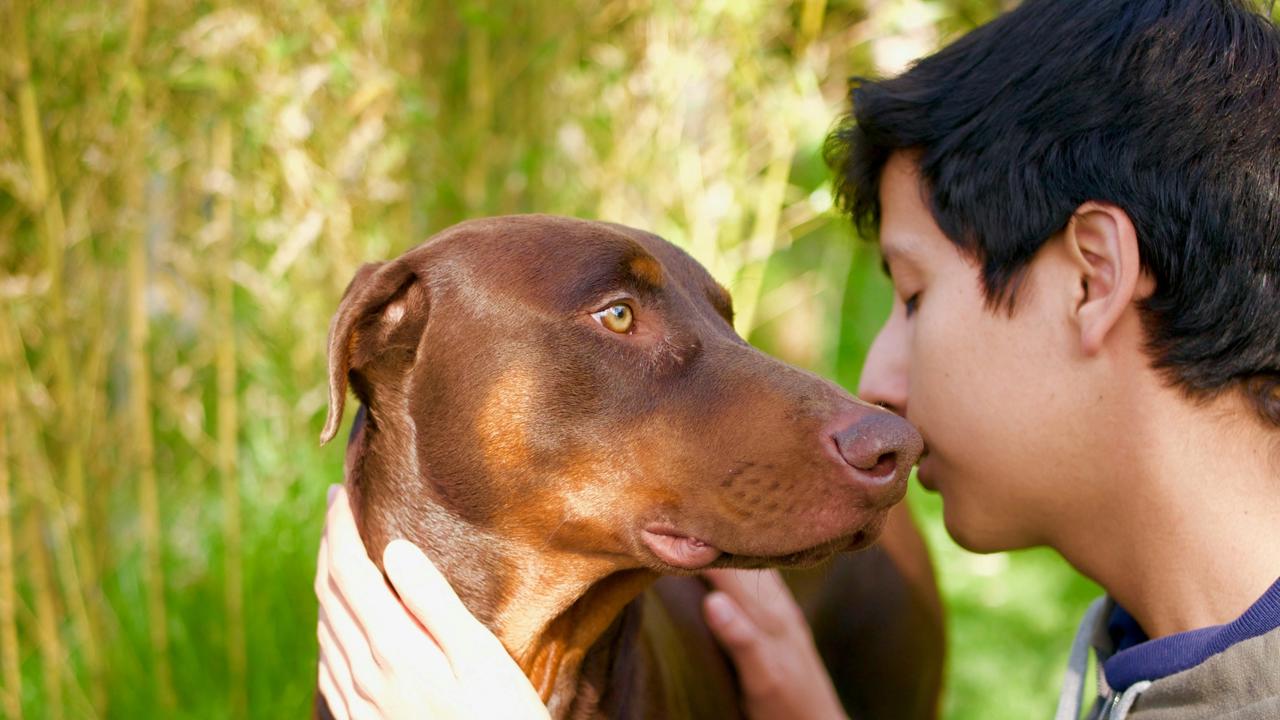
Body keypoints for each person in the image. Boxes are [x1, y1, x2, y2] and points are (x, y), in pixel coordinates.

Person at [314, 0, 1280, 717]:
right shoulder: (1149, 655)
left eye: (911, 294)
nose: (877, 391)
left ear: (1093, 278)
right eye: (619, 318)